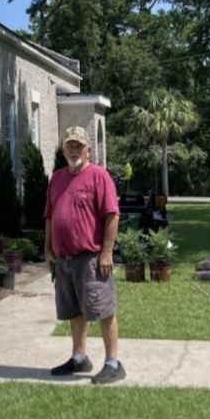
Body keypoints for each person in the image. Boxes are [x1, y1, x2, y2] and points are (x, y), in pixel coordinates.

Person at [44, 126, 124, 385]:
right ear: (63, 149)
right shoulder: (57, 179)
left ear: (88, 150)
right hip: (64, 259)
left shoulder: (99, 176)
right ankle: (79, 358)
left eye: (79, 145)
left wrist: (106, 253)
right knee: (74, 310)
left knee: (103, 309)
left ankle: (113, 363)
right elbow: (50, 216)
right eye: (70, 145)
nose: (74, 150)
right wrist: (47, 248)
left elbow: (112, 215)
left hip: (90, 259)